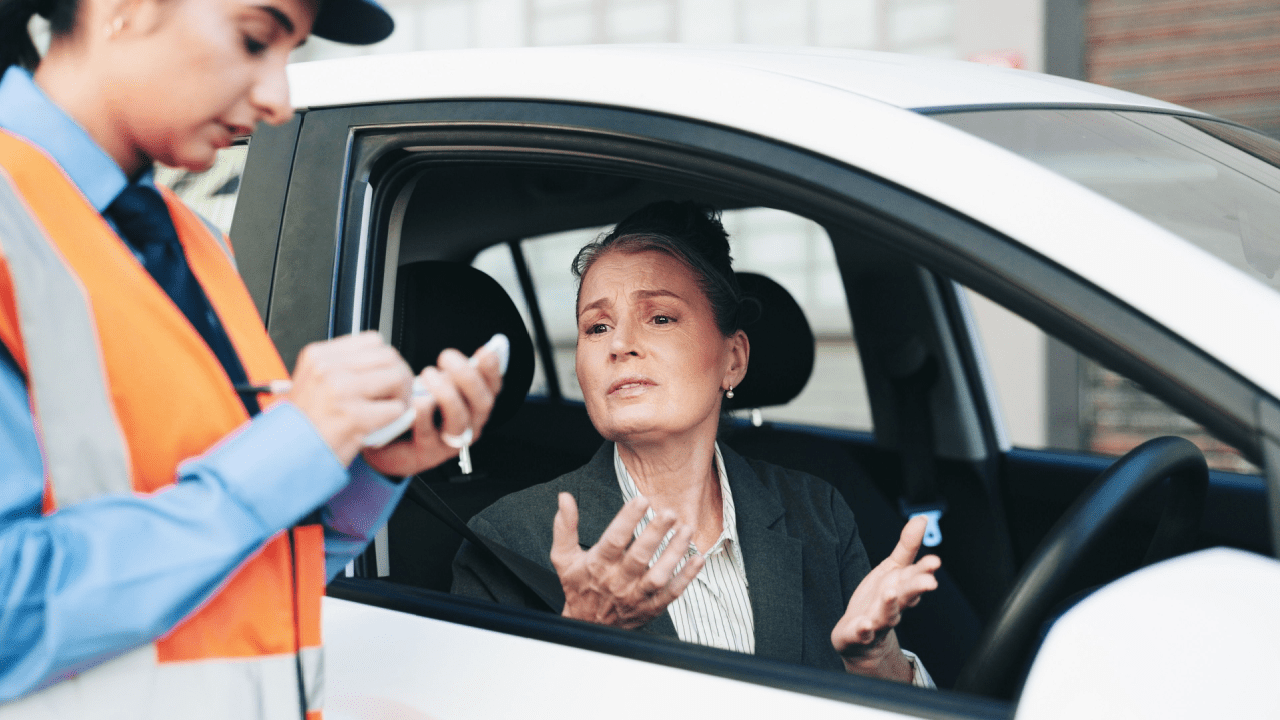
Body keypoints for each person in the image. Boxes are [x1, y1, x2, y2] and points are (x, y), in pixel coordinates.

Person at [0, 0, 502, 715]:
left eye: (289, 55)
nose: (276, 99)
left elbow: (232, 572)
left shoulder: (196, 245)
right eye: (254, 38)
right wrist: (294, 443)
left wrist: (358, 471)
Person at [452, 201, 940, 686]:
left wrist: (878, 663)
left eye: (660, 318)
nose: (619, 344)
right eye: (596, 327)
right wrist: (585, 634)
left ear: (733, 359)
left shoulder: (817, 513)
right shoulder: (505, 542)